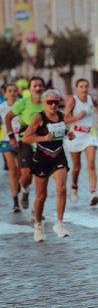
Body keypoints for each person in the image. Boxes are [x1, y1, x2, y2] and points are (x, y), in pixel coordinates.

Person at [22, 90, 76, 242]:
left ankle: (59, 223)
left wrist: (68, 134)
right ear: (44, 103)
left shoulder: (61, 116)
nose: (53, 105)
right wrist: (43, 138)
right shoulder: (39, 117)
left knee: (62, 188)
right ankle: (38, 225)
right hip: (42, 157)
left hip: (58, 154)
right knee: (41, 196)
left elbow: (61, 131)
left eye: (55, 102)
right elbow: (26, 138)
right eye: (49, 102)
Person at [4, 76, 45, 212]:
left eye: (40, 86)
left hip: (42, 143)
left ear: (43, 88)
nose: (38, 88)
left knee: (40, 175)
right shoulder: (23, 102)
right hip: (25, 141)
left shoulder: (47, 102)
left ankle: (37, 209)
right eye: (35, 86)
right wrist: (11, 136)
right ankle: (24, 189)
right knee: (26, 174)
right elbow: (8, 117)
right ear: (30, 88)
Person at [64, 79, 98, 205]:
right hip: (75, 135)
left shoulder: (92, 99)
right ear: (76, 88)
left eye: (86, 86)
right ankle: (74, 187)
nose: (84, 89)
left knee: (91, 164)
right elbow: (64, 119)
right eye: (81, 87)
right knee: (76, 167)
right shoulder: (73, 101)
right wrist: (77, 117)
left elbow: (97, 106)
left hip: (89, 135)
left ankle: (93, 193)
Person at [0, 84, 22, 212]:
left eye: (14, 91)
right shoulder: (2, 108)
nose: (12, 93)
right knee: (12, 169)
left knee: (21, 170)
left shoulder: (21, 105)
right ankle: (15, 202)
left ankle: (19, 184)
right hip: (7, 140)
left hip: (22, 140)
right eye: (10, 91)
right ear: (5, 93)